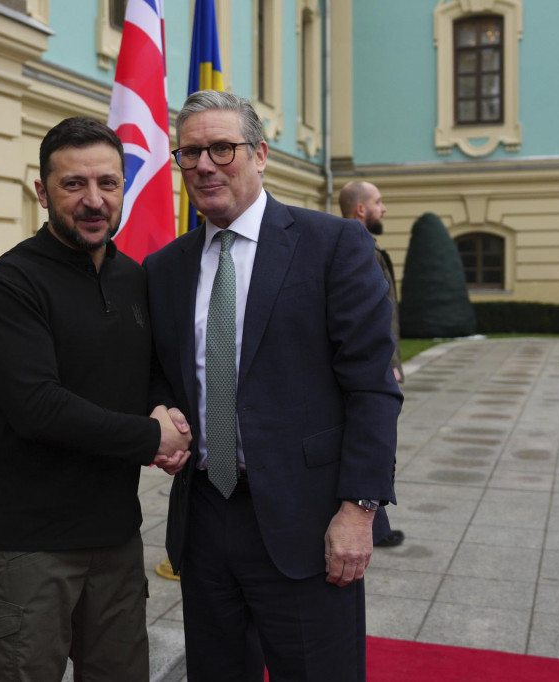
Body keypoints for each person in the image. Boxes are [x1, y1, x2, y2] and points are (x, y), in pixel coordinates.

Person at [144, 91, 402, 682]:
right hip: (206, 521)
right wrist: (161, 415)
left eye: (221, 148)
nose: (205, 164)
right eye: (189, 153)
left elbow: (371, 388)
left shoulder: (334, 246)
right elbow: (161, 372)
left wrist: (358, 511)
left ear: (260, 155)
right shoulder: (165, 268)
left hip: (310, 525)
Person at [0, 116, 192, 682]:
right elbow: (36, 406)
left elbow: (151, 372)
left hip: (115, 537)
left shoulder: (134, 278)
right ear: (43, 191)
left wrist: (164, 409)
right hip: (28, 545)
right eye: (74, 185)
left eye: (108, 183)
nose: (94, 200)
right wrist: (150, 438)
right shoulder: (9, 284)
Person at [339, 180, 406, 549]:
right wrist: (389, 364)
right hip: (375, 366)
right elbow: (372, 319)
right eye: (378, 202)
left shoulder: (362, 248)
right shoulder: (355, 251)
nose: (384, 209)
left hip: (380, 362)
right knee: (371, 438)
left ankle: (375, 523)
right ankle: (373, 524)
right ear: (360, 209)